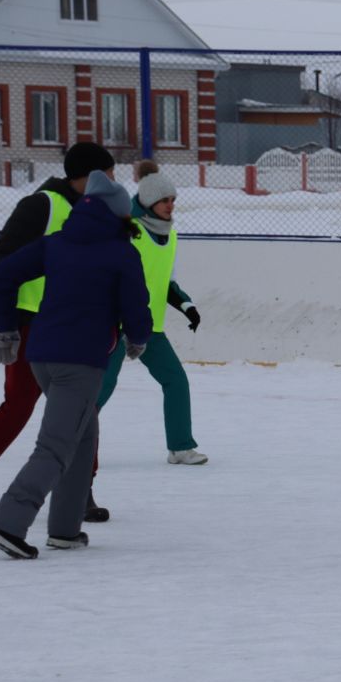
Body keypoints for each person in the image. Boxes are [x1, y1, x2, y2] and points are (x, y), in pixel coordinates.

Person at [0, 173, 153, 558]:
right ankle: (9, 524)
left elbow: (2, 276)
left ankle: (64, 529)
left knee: (82, 436)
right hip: (80, 361)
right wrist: (138, 337)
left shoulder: (56, 244)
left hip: (40, 355)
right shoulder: (121, 252)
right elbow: (135, 305)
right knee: (56, 446)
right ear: (116, 216)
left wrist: (6, 329)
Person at [0, 142, 116, 523]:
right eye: (107, 174)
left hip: (68, 325)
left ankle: (80, 489)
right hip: (28, 323)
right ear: (85, 176)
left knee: (81, 409)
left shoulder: (93, 212)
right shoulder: (41, 205)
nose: (115, 181)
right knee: (21, 404)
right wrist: (3, 327)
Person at [96, 163, 208, 464]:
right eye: (164, 200)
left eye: (173, 200)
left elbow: (166, 281)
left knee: (175, 380)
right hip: (118, 325)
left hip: (149, 327)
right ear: (148, 202)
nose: (171, 206)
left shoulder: (169, 236)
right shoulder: (129, 231)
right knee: (103, 386)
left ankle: (181, 447)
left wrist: (187, 306)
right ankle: (66, 441)